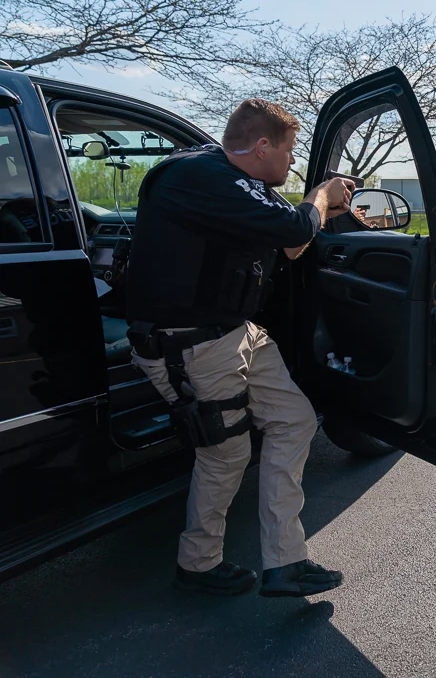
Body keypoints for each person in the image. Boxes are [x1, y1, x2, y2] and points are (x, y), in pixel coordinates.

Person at [125, 98, 353, 597]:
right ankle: (198, 565)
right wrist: (318, 195)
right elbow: (296, 227)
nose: (293, 162)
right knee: (225, 454)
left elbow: (290, 244)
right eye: (290, 151)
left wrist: (327, 209)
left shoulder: (247, 186)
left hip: (236, 332)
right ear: (262, 145)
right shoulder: (198, 177)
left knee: (294, 420)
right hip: (190, 344)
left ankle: (286, 562)